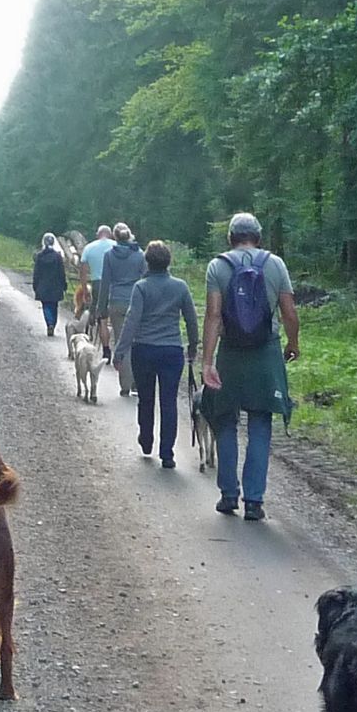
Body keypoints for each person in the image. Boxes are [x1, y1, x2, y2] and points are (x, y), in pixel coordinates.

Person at [199, 212, 299, 521]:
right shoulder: (275, 264)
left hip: (230, 354)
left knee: (225, 420)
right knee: (260, 423)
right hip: (265, 352)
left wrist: (207, 361)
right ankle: (254, 500)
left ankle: (229, 494)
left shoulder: (218, 266)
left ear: (230, 237)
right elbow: (289, 312)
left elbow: (214, 316)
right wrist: (293, 344)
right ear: (258, 236)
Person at [113, 241, 198, 468]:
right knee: (168, 401)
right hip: (172, 350)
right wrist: (193, 345)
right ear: (168, 261)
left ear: (147, 262)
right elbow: (191, 318)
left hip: (144, 349)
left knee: (146, 398)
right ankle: (167, 452)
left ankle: (147, 439)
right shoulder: (180, 287)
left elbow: (132, 320)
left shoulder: (141, 287)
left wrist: (120, 350)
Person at [96, 223, 146, 396]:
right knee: (137, 341)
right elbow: (146, 279)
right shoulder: (140, 255)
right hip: (136, 301)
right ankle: (136, 383)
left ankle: (125, 385)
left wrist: (100, 307)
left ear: (115, 238)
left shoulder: (109, 255)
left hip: (116, 301)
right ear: (129, 235)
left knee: (121, 342)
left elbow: (105, 282)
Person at [31, 233, 69, 336]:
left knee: (45, 305)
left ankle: (49, 323)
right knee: (54, 306)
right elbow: (62, 272)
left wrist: (35, 284)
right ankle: (53, 323)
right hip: (56, 286)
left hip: (43, 285)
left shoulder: (39, 256)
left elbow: (36, 272)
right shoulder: (57, 256)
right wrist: (64, 284)